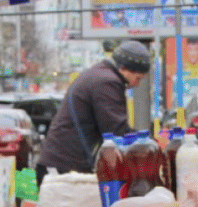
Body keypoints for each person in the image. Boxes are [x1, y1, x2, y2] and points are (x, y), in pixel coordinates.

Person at [35, 40, 151, 185]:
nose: (137, 84)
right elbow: (116, 129)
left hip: (60, 163)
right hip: (64, 168)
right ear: (124, 68)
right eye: (137, 78)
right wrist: (148, 145)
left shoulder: (99, 73)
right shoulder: (107, 82)